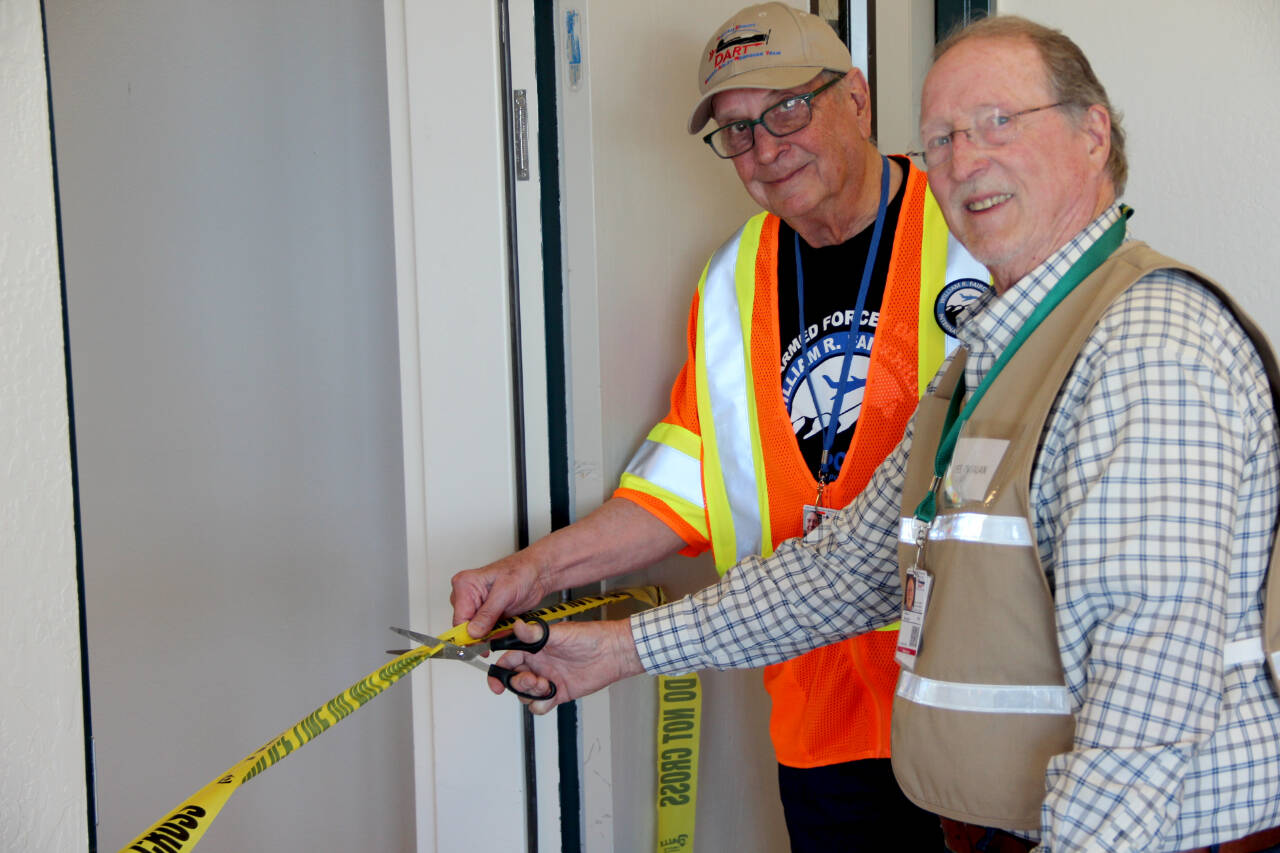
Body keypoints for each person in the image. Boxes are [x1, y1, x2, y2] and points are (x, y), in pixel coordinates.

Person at [494, 14, 1280, 853]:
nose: (964, 161)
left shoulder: (1146, 348)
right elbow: (847, 567)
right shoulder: (995, 356)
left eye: (998, 122)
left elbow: (1146, 708)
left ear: (1094, 134)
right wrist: (617, 650)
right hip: (922, 778)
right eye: (941, 138)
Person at [449, 3, 986, 848]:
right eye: (737, 130)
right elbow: (686, 484)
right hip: (817, 720)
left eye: (787, 109)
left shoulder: (974, 234)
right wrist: (531, 569)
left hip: (968, 706)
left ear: (857, 98)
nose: (765, 149)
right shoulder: (735, 277)